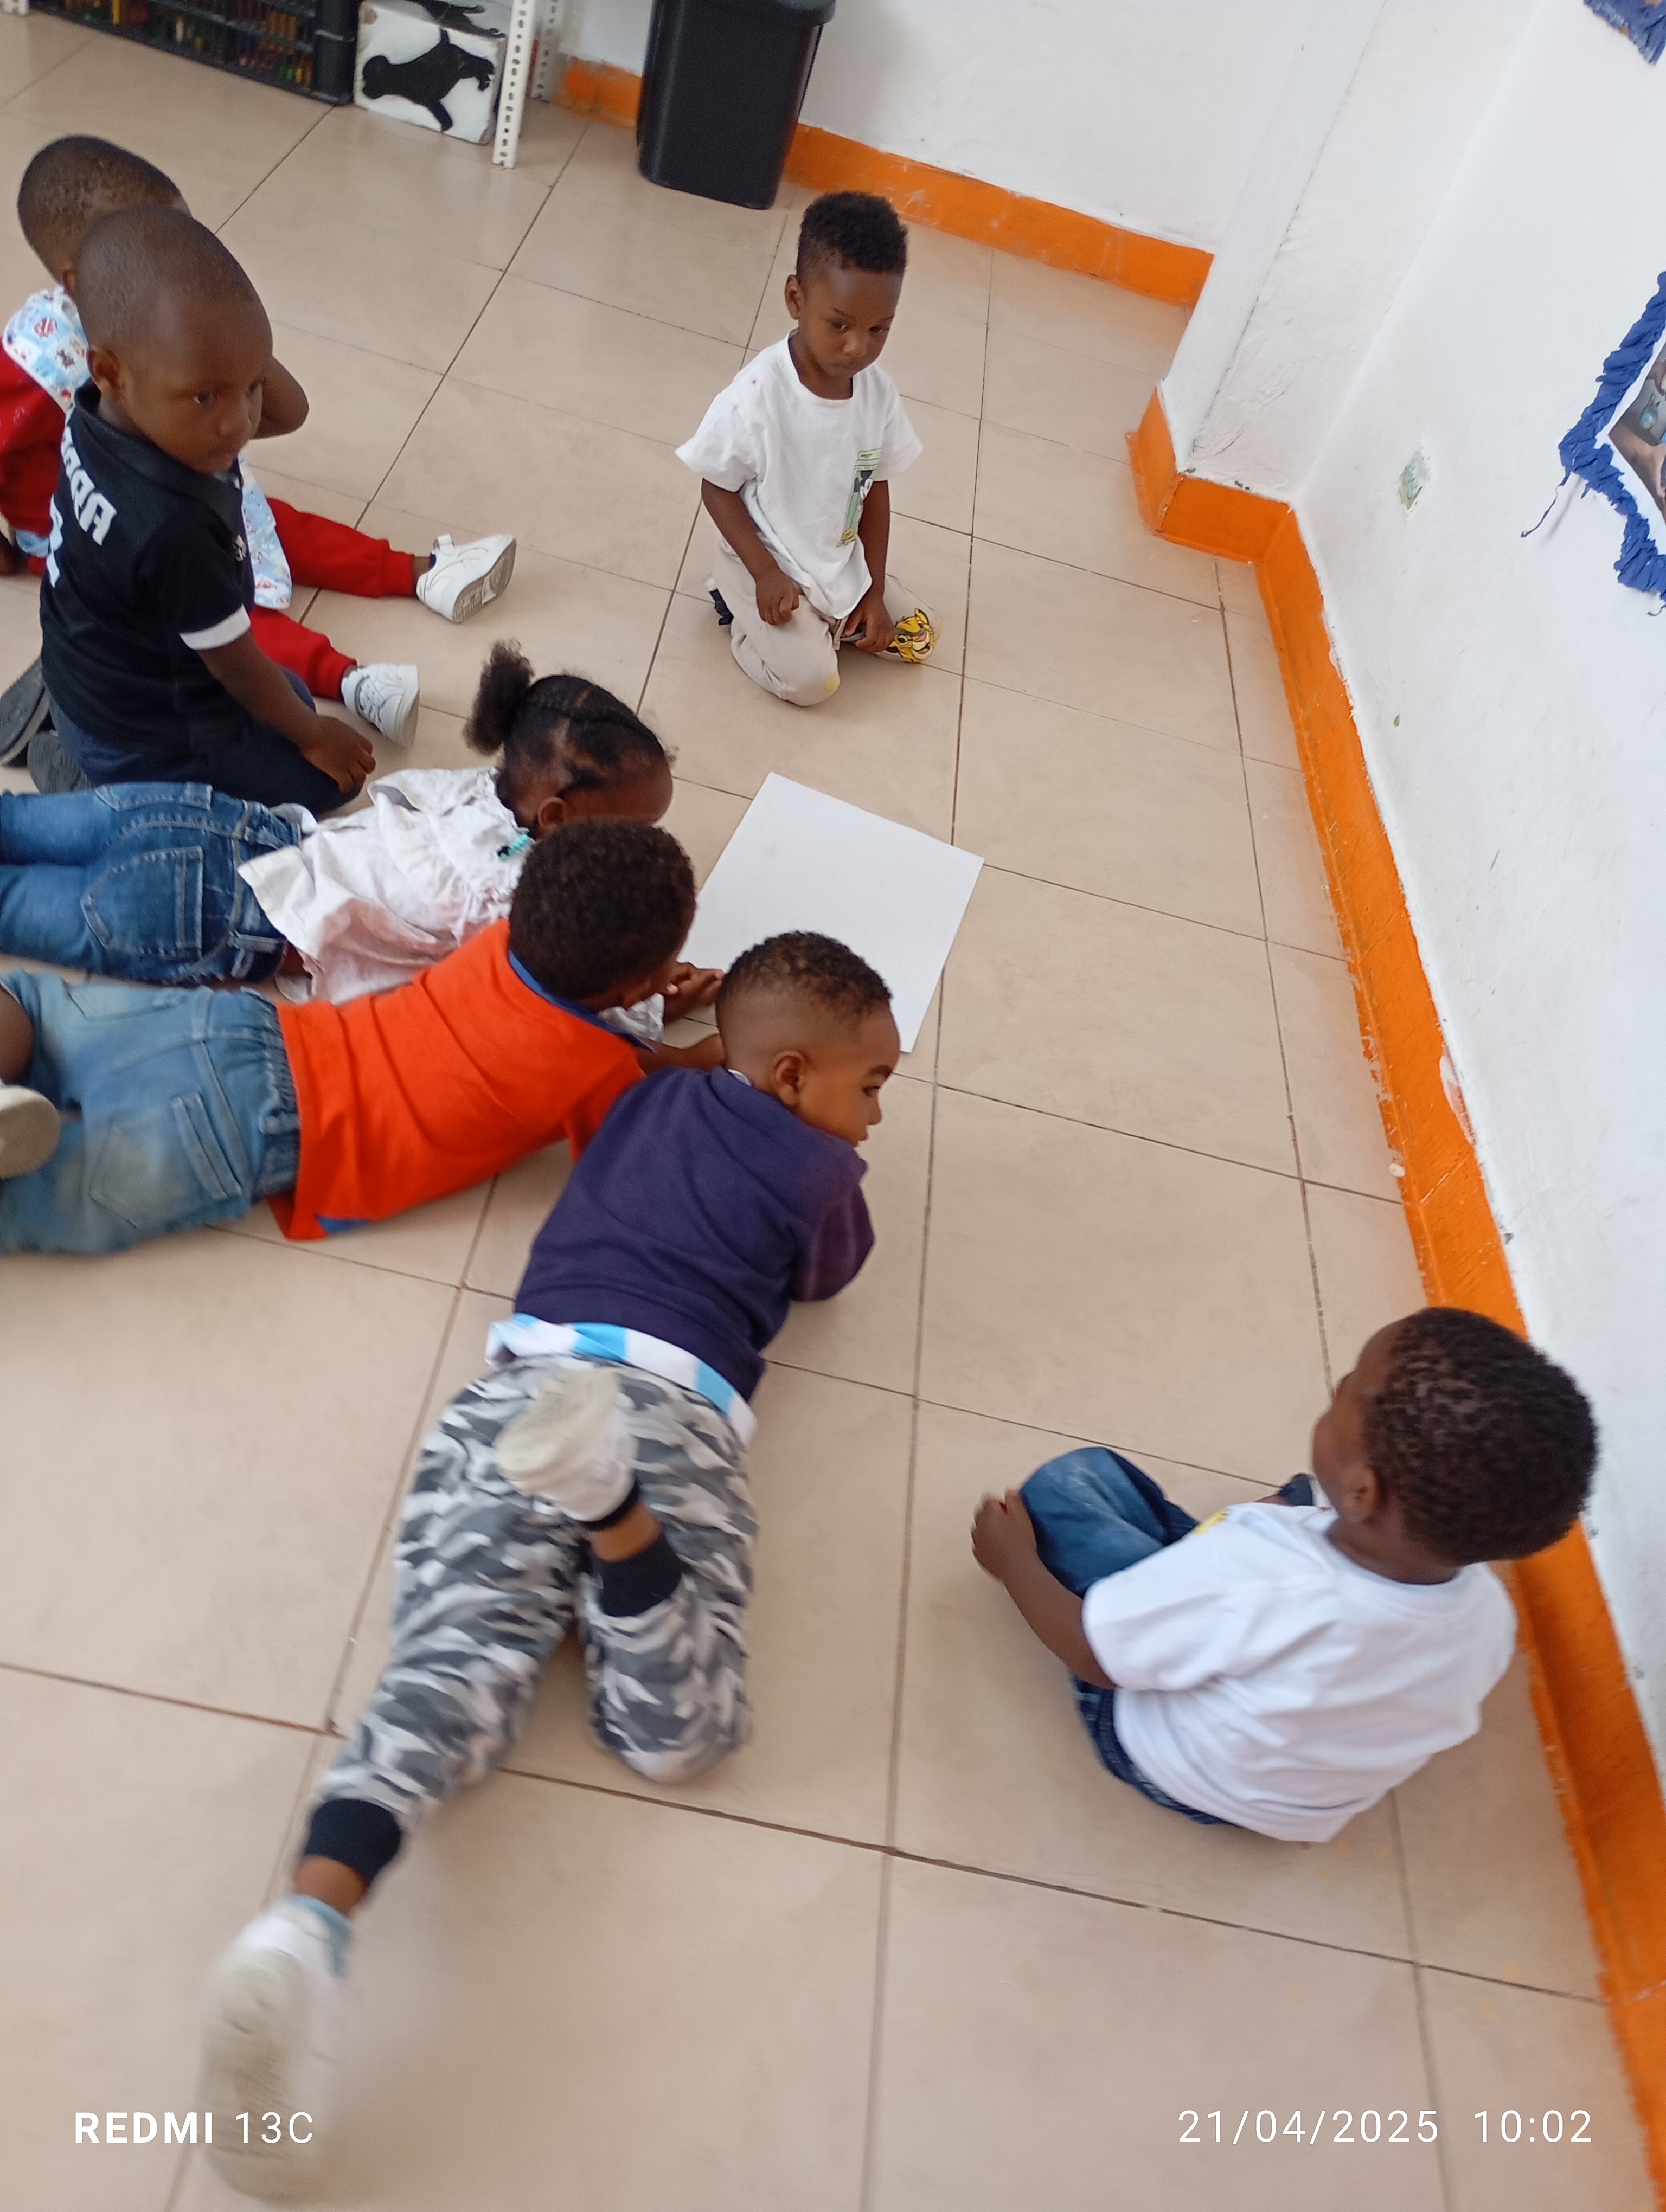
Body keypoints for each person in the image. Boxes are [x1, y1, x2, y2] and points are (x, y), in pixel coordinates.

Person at [193, 931, 899, 2198]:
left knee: (448, 1666)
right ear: (794, 1076)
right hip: (670, 1413)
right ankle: (614, 1512)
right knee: (677, 1734)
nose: (876, 1115)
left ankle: (309, 1920)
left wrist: (704, 1056)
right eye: (873, 1085)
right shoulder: (817, 1164)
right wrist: (826, 1164)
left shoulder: (640, 1095)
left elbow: (665, 1085)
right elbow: (833, 1272)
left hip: (515, 1391)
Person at [971, 1309, 1597, 1842]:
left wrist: (1015, 1563)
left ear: (1362, 1492)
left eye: (1343, 1390)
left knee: (1069, 1486)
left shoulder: (1262, 1574)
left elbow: (1095, 1656)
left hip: (1165, 1759)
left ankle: (1179, 1583)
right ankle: (1247, 1551)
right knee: (1294, 1512)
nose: (1334, 1392)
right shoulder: (1490, 1618)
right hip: (1299, 1808)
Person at [0, 135, 515, 753]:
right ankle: (350, 680)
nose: (186, 259)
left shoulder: (185, 329)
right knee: (215, 624)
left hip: (190, 488)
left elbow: (288, 411)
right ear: (79, 280)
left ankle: (424, 574)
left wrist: (226, 335)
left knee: (278, 524)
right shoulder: (33, 358)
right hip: (115, 542)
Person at [0, 818, 701, 1253]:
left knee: (41, 1012)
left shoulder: (498, 942)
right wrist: (704, 1057)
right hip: (265, 1127)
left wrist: (639, 1003)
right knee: (59, 1196)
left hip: (247, 1028)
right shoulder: (599, 1071)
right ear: (635, 988)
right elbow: (634, 1152)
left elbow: (537, 1029)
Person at [0, 645, 717, 1034]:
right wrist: (646, 998)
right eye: (635, 831)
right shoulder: (510, 898)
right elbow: (541, 1005)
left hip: (215, 820)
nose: (644, 847)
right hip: (212, 916)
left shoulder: (475, 789)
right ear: (556, 819)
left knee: (15, 820)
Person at [676, 191, 937, 707]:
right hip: (765, 560)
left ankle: (835, 616)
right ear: (796, 299)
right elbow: (716, 488)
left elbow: (875, 493)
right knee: (815, 683)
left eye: (878, 329)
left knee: (920, 636)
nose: (858, 347)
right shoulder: (757, 396)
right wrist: (765, 573)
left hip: (834, 559)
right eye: (839, 324)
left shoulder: (878, 394)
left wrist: (874, 591)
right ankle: (737, 607)